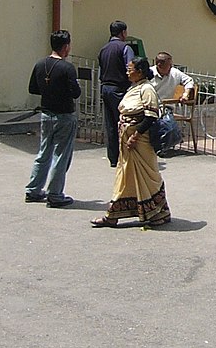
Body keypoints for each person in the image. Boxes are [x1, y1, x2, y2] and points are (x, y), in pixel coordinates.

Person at [91, 56, 172, 227]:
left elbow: (151, 116)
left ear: (140, 72)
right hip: (127, 143)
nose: (127, 72)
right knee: (125, 177)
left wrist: (135, 135)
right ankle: (113, 214)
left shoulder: (147, 89)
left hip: (139, 143)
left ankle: (159, 212)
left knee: (148, 177)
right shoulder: (134, 87)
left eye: (130, 69)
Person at [25, 29, 81, 206]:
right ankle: (55, 194)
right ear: (66, 47)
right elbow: (76, 92)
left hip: (46, 113)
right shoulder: (67, 68)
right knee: (61, 155)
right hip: (64, 115)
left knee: (44, 152)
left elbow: (33, 88)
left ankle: (33, 190)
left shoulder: (40, 64)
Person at [98, 20, 134, 168]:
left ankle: (113, 157)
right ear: (123, 33)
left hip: (105, 87)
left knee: (110, 124)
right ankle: (125, 155)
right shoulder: (125, 48)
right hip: (119, 89)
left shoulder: (104, 49)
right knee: (124, 122)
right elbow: (131, 69)